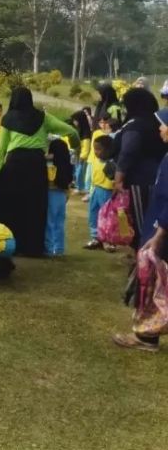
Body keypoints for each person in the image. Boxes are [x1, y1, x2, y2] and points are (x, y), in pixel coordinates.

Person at [0, 87, 79, 257]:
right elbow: (72, 131)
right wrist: (76, 146)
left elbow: (1, 149)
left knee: (10, 205)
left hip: (14, 164)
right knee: (34, 206)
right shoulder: (43, 117)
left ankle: (7, 243)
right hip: (35, 165)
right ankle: (33, 247)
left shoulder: (8, 118)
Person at [113, 108, 168, 351]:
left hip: (161, 230)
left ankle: (147, 336)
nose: (160, 129)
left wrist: (158, 235)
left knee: (154, 285)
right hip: (159, 225)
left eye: (164, 124)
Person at [114, 87, 167, 254]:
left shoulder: (136, 125)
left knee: (141, 220)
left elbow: (128, 152)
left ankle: (143, 253)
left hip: (140, 180)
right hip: (157, 177)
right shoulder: (156, 121)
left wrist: (119, 176)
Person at [85, 134, 117, 252]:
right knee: (93, 213)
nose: (96, 152)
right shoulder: (96, 161)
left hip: (106, 192)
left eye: (99, 149)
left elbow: (115, 181)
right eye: (95, 149)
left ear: (108, 150)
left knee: (107, 216)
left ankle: (108, 240)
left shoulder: (112, 164)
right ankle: (95, 237)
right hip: (96, 190)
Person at [45, 138, 73, 258]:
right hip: (62, 194)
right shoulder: (67, 164)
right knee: (59, 222)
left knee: (49, 222)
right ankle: (59, 248)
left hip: (50, 193)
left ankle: (49, 248)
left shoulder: (50, 164)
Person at [69, 107, 93, 196]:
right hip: (77, 156)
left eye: (76, 120)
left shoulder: (86, 134)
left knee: (80, 172)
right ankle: (78, 187)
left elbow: (86, 148)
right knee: (77, 172)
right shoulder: (80, 130)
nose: (74, 122)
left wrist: (82, 157)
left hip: (82, 158)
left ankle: (80, 188)